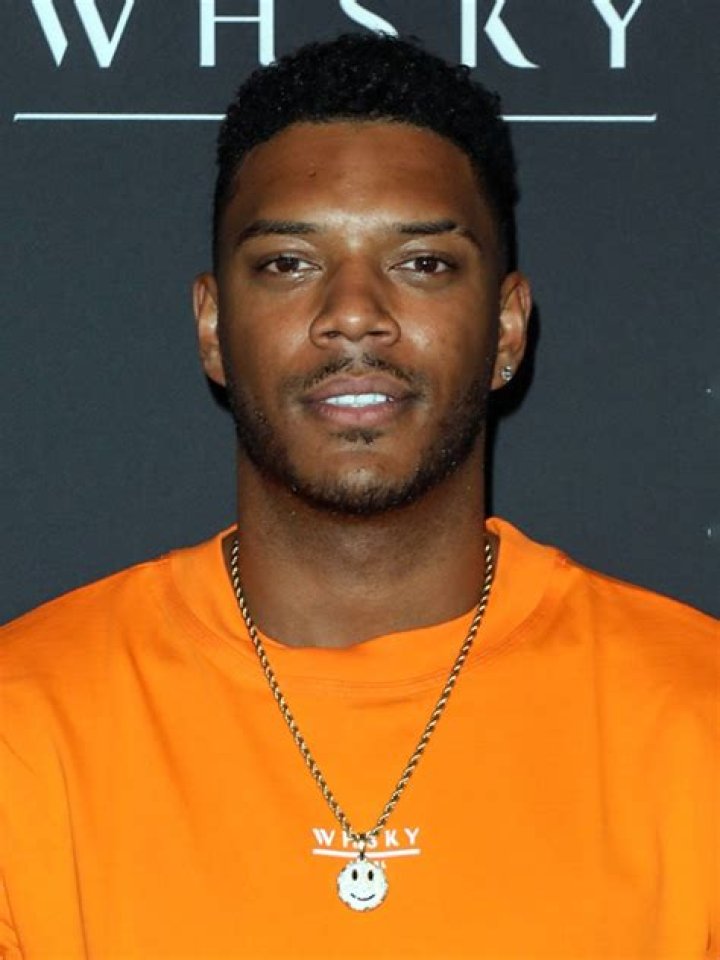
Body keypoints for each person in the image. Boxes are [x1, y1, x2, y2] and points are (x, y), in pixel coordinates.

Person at [1, 32, 717, 960]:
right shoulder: (27, 719)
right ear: (212, 328)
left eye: (422, 263)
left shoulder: (696, 714)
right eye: (288, 263)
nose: (352, 313)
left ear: (507, 329)